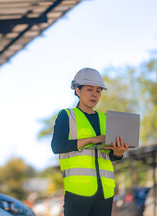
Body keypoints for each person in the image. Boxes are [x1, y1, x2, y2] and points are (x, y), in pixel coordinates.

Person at [51, 68, 129, 216]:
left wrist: (118, 153)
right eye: (89, 89)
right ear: (77, 90)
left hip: (105, 193)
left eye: (98, 90)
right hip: (78, 192)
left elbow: (108, 155)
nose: (94, 94)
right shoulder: (67, 116)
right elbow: (57, 146)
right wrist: (91, 140)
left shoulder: (106, 119)